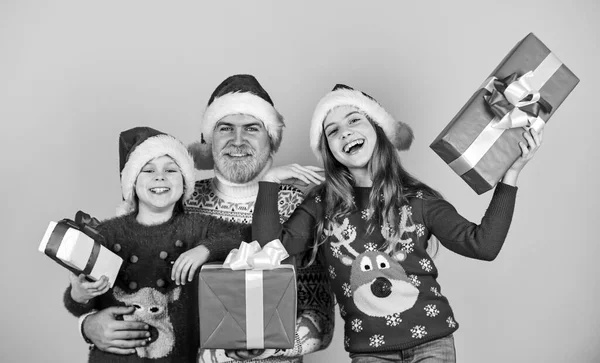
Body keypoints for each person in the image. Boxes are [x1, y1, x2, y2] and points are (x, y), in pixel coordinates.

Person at [251, 84, 543, 363]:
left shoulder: (418, 200)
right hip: (369, 352)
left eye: (355, 120)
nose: (346, 132)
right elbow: (268, 255)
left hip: (433, 343)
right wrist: (268, 183)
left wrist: (512, 174)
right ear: (328, 149)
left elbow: (484, 245)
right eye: (333, 131)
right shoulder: (320, 207)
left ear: (377, 129)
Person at [80, 75, 336, 363]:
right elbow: (137, 286)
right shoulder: (178, 200)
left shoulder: (300, 205)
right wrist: (89, 325)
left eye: (252, 128)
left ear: (272, 140)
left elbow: (320, 315)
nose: (238, 141)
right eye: (225, 128)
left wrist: (266, 348)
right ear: (208, 140)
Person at [64, 127, 246, 362]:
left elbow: (246, 235)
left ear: (184, 183)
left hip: (179, 356)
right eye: (148, 170)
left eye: (170, 170)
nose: (159, 177)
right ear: (132, 183)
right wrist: (79, 294)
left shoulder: (198, 228)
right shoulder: (107, 234)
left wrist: (206, 249)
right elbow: (78, 307)